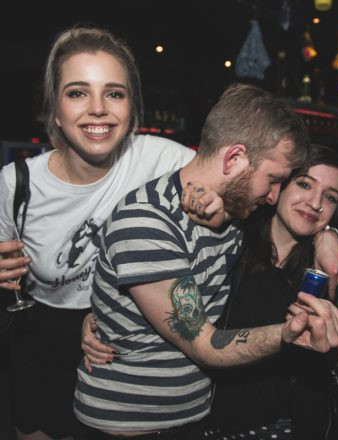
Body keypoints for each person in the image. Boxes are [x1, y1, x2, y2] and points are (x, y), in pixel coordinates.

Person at [73, 83, 338, 439]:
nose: (273, 196)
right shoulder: (146, 221)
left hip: (194, 422)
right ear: (234, 159)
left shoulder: (233, 215)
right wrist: (288, 333)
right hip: (132, 425)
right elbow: (205, 345)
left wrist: (327, 234)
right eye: (273, 180)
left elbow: (302, 216)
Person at [0, 25, 220, 440]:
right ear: (54, 109)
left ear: (132, 108)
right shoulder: (17, 184)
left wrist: (323, 232)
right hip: (41, 343)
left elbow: (245, 183)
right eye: (77, 93)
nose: (98, 109)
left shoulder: (160, 159)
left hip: (124, 340)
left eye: (114, 93)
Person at [198, 144, 338, 440]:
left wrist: (336, 350)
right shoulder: (232, 242)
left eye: (330, 197)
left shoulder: (336, 272)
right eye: (305, 184)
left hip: (291, 428)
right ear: (278, 187)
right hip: (213, 424)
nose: (315, 203)